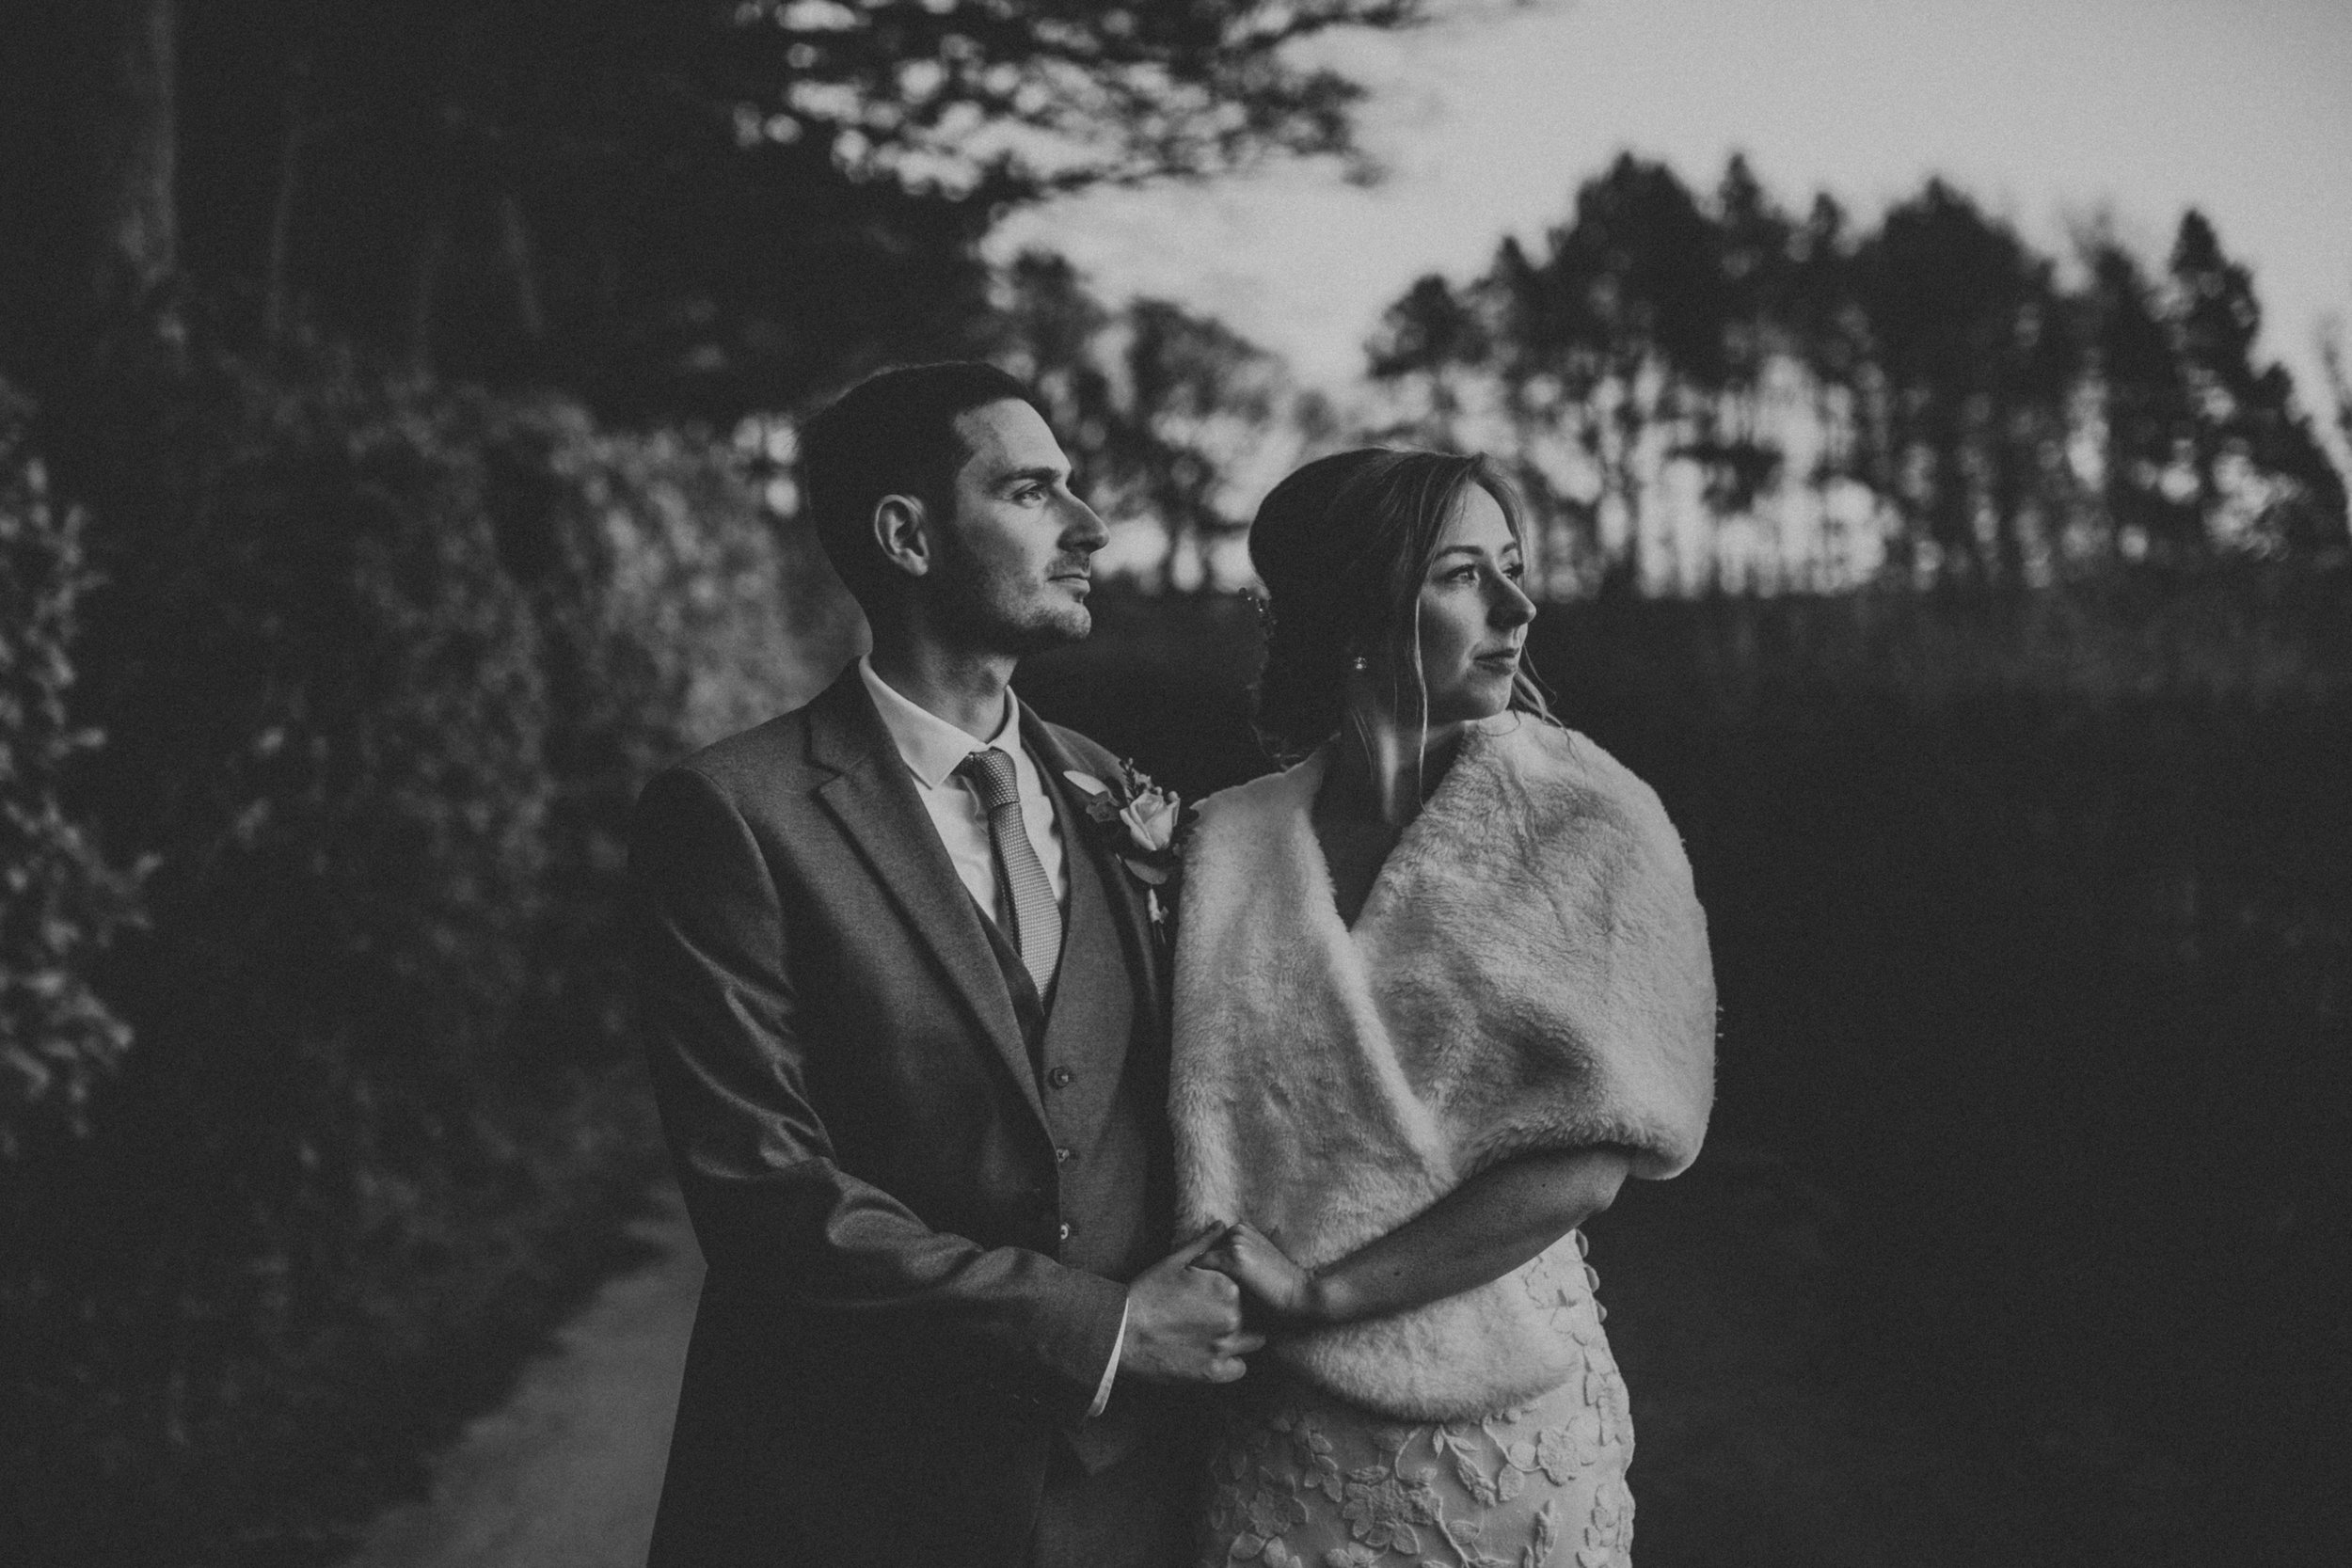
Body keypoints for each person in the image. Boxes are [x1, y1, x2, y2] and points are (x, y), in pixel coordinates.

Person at [629, 361, 1261, 1568]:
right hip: (844, 1494)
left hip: (1121, 1500)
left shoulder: (1110, 787)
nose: (1091, 527)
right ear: (906, 534)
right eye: (1033, 492)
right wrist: (1108, 1328)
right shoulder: (731, 814)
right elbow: (765, 1198)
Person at [1172, 450, 1717, 1567]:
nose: (1519, 606)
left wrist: (1323, 1291)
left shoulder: (1590, 825)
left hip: (1491, 1441)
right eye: (1464, 574)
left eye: (1513, 569)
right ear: (1352, 609)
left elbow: (1586, 1156)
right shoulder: (1225, 839)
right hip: (1275, 1424)